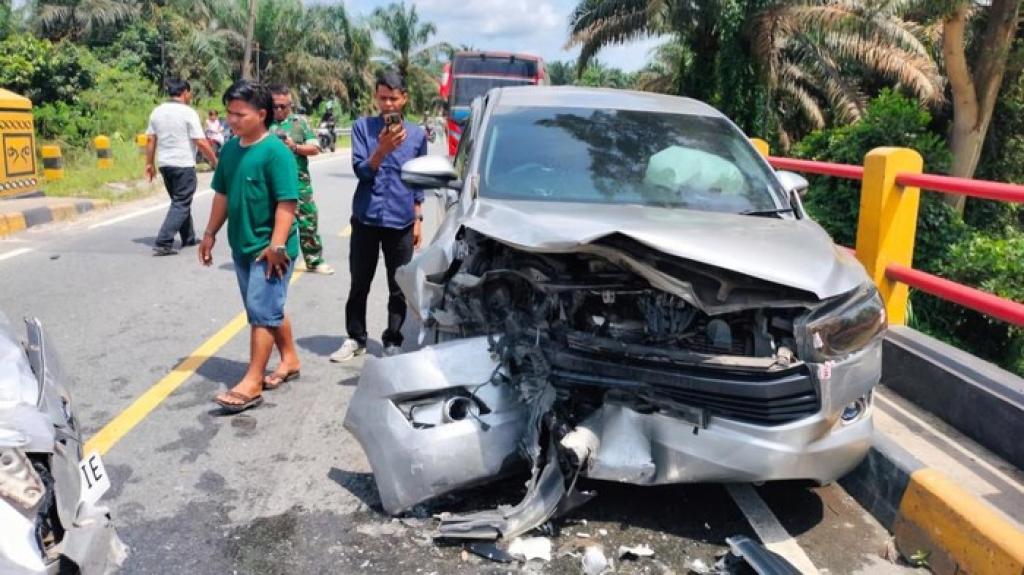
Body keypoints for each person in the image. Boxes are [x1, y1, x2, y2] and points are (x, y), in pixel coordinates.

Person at [199, 80, 302, 413]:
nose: (232, 119)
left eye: (239, 114)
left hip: (271, 249)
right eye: (229, 113)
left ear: (261, 114)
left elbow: (287, 204)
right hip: (242, 246)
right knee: (266, 307)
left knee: (261, 311)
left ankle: (252, 381)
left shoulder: (276, 153)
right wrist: (211, 232)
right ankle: (289, 359)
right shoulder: (230, 149)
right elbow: (223, 194)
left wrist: (277, 246)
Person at [330, 69, 427, 362]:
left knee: (398, 285)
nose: (387, 105)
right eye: (382, 98)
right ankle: (356, 337)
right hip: (366, 219)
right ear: (376, 97)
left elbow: (420, 179)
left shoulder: (418, 135)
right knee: (360, 281)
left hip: (401, 219)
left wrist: (419, 217)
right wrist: (381, 150)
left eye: (393, 99)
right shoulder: (362, 128)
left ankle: (393, 338)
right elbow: (361, 170)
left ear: (404, 99)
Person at [145, 79, 218, 256]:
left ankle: (189, 236)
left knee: (180, 201)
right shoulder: (187, 112)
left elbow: (150, 139)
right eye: (190, 93)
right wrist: (215, 162)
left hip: (165, 164)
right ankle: (164, 241)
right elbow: (199, 141)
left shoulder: (157, 111)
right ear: (185, 92)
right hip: (183, 164)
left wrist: (149, 163)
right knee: (181, 202)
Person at [268, 84, 333, 275]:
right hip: (271, 183)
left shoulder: (300, 123)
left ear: (290, 105)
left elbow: (315, 148)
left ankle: (314, 260)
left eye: (283, 106)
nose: (279, 110)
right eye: (275, 106)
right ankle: (275, 256)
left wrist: (294, 146)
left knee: (308, 220)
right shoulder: (264, 123)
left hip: (298, 181)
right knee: (274, 222)